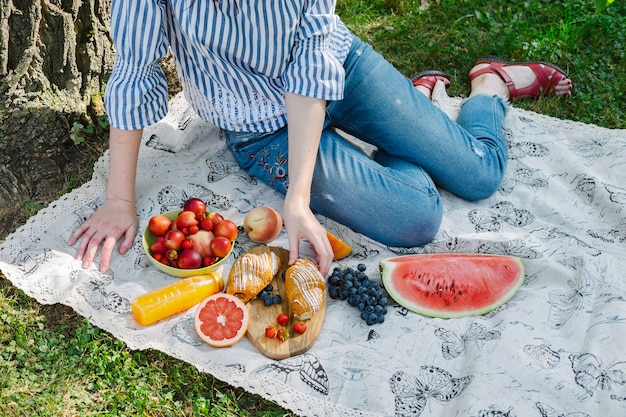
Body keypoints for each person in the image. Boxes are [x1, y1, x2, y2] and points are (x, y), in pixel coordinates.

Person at [69, 1, 573, 276]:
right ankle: (414, 115)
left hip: (339, 66)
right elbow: (134, 71)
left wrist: (299, 196)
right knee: (418, 217)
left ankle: (488, 87)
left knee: (480, 175)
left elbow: (311, 61)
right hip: (262, 127)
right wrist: (117, 200)